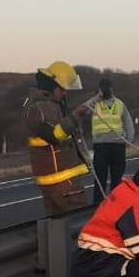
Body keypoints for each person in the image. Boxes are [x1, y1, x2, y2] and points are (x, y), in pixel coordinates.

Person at [23, 61, 91, 214]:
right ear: (51, 86)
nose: (65, 93)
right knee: (78, 222)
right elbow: (54, 135)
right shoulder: (40, 108)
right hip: (62, 181)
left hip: (56, 181)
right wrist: (75, 116)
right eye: (62, 89)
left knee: (58, 230)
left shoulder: (47, 105)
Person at [87, 77, 136, 202]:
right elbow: (83, 110)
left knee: (117, 180)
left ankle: (116, 207)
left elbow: (128, 121)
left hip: (118, 146)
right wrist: (97, 97)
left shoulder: (119, 104)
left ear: (112, 89)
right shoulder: (95, 104)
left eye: (107, 88)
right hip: (101, 146)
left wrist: (129, 139)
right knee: (100, 180)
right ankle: (98, 207)